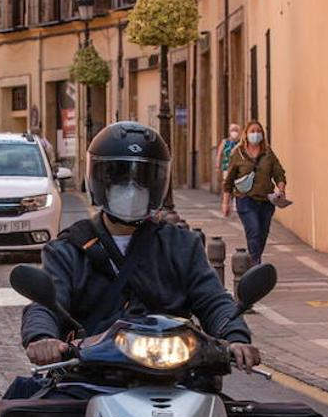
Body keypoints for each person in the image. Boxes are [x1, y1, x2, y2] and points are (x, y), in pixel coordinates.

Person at [22, 121, 261, 373]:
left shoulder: (181, 245)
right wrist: (42, 338)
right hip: (92, 376)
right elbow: (46, 304)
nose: (132, 188)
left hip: (176, 376)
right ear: (100, 182)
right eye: (120, 178)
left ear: (157, 185)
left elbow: (212, 299)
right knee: (24, 409)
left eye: (143, 180)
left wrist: (235, 337)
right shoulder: (68, 249)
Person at [222, 121, 287, 266]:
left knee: (262, 235)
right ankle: (255, 264)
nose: (255, 134)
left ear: (262, 135)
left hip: (266, 201)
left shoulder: (268, 154)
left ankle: (254, 260)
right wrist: (226, 203)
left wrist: (281, 190)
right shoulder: (238, 154)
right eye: (252, 131)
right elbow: (229, 181)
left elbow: (279, 173)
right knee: (254, 231)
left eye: (258, 131)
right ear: (246, 134)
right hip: (245, 200)